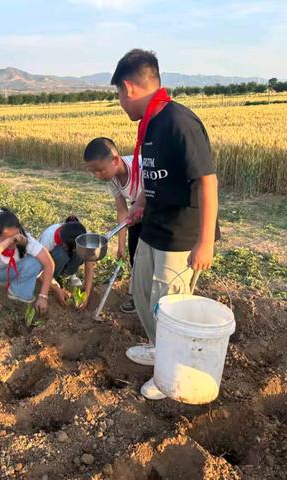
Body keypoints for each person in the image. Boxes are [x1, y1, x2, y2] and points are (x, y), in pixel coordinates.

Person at [111, 49, 220, 400]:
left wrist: (205, 242)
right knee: (143, 294)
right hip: (154, 225)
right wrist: (139, 205)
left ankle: (171, 374)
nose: (120, 103)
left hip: (181, 233)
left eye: (118, 96)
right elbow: (155, 176)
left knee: (170, 306)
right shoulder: (151, 123)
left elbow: (207, 182)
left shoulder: (178, 122)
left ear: (128, 88)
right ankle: (161, 349)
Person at [84, 137, 143, 313]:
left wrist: (142, 211)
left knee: (149, 256)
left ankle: (150, 299)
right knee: (134, 255)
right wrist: (121, 245)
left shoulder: (141, 167)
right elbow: (122, 210)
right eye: (93, 171)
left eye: (100, 170)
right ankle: (137, 297)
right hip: (136, 211)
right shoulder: (112, 178)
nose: (97, 175)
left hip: (158, 209)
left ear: (115, 161)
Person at [38, 215, 94, 310]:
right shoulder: (48, 238)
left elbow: (89, 265)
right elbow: (38, 271)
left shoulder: (84, 237)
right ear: (64, 244)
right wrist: (56, 289)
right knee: (61, 254)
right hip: (49, 265)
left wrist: (87, 295)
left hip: (70, 253)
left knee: (80, 253)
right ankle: (54, 278)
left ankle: (68, 274)